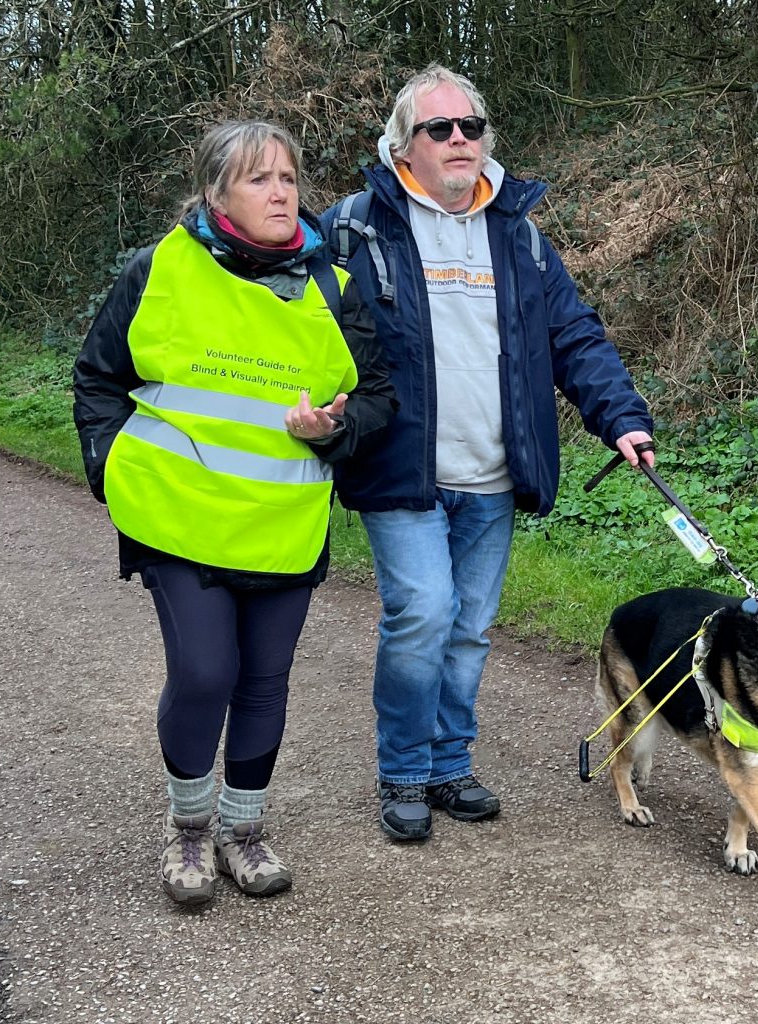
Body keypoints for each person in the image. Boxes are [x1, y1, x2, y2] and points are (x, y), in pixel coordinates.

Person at [322, 65, 655, 842]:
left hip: (494, 475)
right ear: (406, 144)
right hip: (402, 471)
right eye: (440, 129)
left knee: (469, 626)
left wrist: (621, 419)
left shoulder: (519, 234)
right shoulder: (357, 226)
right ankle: (403, 769)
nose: (460, 139)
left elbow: (573, 335)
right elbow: (307, 332)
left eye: (471, 126)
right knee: (423, 615)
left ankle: (447, 764)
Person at [73, 120, 397, 904]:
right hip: (177, 518)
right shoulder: (158, 268)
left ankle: (244, 833)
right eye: (260, 179)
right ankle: (189, 832)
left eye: (288, 178)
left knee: (264, 681)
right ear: (216, 193)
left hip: (282, 524)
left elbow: (382, 396)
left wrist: (337, 430)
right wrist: (110, 472)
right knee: (205, 672)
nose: (281, 192)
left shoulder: (332, 284)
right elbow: (97, 378)